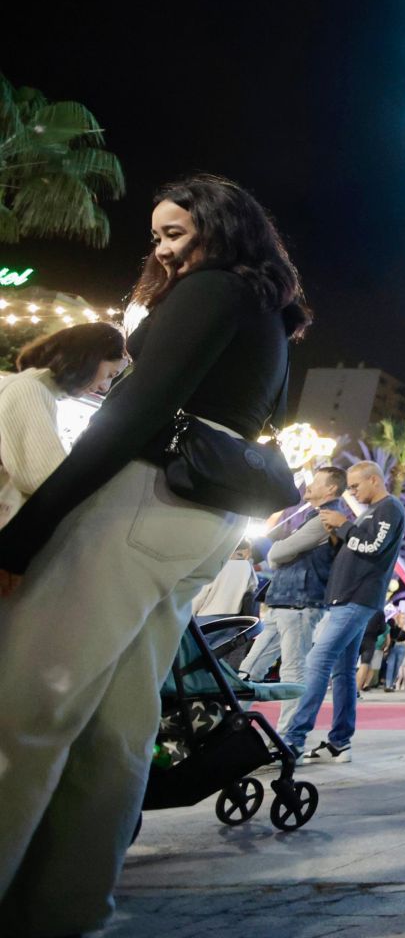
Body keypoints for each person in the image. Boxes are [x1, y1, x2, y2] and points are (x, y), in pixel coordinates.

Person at [0, 176, 307, 936]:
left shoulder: (213, 288)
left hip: (142, 501)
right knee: (117, 725)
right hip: (204, 519)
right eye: (158, 237)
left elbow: (135, 412)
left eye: (177, 233)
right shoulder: (269, 311)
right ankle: (67, 907)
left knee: (25, 708)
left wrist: (28, 531)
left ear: (221, 227)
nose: (164, 250)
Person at [279, 462, 405, 763]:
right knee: (343, 671)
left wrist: (343, 525)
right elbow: (358, 548)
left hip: (356, 599)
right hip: (348, 599)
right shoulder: (372, 512)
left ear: (374, 480)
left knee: (318, 660)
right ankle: (339, 742)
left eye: (355, 486)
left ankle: (294, 740)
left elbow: (373, 546)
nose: (352, 492)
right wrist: (340, 534)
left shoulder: (389, 508)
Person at [0, 322, 127, 527]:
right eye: (110, 375)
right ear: (90, 357)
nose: (105, 387)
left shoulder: (29, 387)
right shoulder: (29, 390)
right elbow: (47, 479)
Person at [241, 467, 350, 684]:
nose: (309, 485)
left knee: (292, 671)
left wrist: (278, 553)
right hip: (287, 601)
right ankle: (238, 706)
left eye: (316, 481)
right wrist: (280, 553)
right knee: (249, 669)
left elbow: (277, 553)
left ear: (331, 488)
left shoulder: (325, 519)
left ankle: (295, 711)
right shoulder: (316, 517)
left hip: (299, 603)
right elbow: (280, 553)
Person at [381, 606, 405, 691]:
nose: (403, 619)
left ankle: (392, 683)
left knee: (397, 666)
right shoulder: (394, 626)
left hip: (402, 647)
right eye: (402, 617)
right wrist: (400, 628)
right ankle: (388, 684)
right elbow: (391, 634)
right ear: (398, 618)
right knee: (391, 665)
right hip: (394, 647)